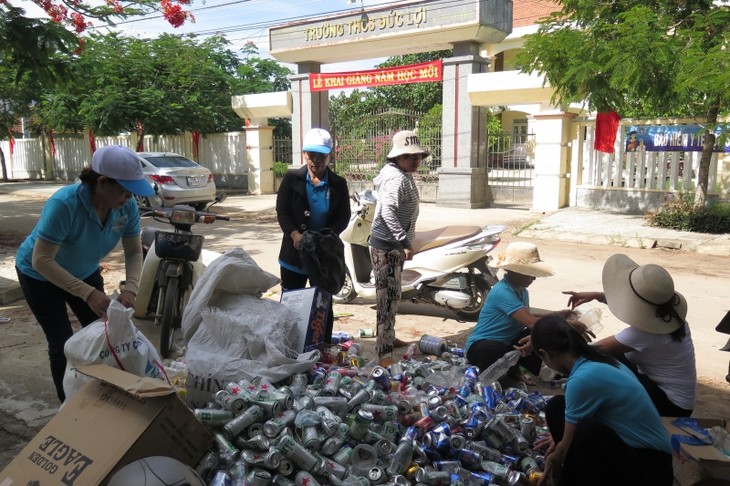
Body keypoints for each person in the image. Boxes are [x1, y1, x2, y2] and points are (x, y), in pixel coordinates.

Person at [15, 145, 155, 402]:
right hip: (40, 276)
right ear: (102, 182)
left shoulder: (126, 208)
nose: (128, 199)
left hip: (85, 272)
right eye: (123, 191)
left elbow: (134, 252)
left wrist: (131, 289)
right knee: (62, 343)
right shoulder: (64, 204)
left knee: (104, 334)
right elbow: (42, 259)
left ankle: (104, 395)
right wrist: (87, 293)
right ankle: (68, 408)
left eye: (131, 193)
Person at [532, 315, 673, 486]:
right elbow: (566, 440)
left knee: (587, 431)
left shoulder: (582, 379)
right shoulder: (596, 357)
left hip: (651, 470)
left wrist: (554, 460)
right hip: (636, 455)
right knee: (556, 407)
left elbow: (564, 449)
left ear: (545, 354)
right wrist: (560, 446)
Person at [564, 253, 696, 417]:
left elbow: (591, 351)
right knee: (618, 358)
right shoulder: (673, 318)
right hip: (680, 402)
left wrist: (568, 330)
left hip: (669, 406)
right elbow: (639, 307)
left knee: (600, 362)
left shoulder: (642, 334)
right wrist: (599, 296)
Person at [465, 242, 581, 384]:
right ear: (515, 271)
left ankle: (518, 369)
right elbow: (532, 322)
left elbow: (527, 315)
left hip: (509, 343)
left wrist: (557, 314)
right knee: (498, 348)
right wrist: (565, 324)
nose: (533, 278)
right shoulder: (502, 291)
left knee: (534, 336)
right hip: (481, 346)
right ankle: (498, 375)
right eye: (529, 274)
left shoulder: (522, 291)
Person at [275, 128, 351, 339]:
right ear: (305, 155)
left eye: (321, 155)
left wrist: (327, 236)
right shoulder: (292, 178)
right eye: (311, 155)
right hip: (294, 254)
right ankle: (289, 346)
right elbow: (283, 211)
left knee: (322, 304)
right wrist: (295, 235)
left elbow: (344, 216)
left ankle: (323, 347)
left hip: (323, 255)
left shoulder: (338, 184)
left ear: (330, 156)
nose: (316, 160)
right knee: (292, 303)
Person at [369, 130, 428, 366]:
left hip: (391, 246)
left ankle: (389, 338)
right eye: (409, 156)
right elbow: (387, 212)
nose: (415, 160)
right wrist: (403, 241)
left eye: (418, 156)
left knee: (393, 297)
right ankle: (383, 352)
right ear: (398, 158)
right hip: (387, 248)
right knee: (387, 299)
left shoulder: (401, 173)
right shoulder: (396, 178)